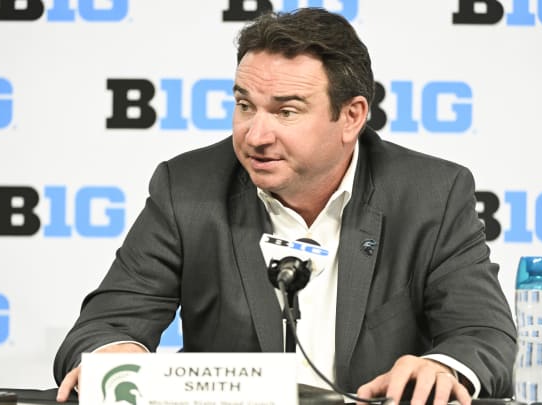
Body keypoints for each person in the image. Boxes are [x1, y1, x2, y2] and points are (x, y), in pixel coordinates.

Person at [54, 7, 516, 405]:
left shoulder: (431, 194)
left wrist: (442, 367)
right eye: (245, 105)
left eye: (286, 111)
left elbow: (484, 333)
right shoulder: (187, 188)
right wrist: (116, 353)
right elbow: (104, 326)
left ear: (351, 116)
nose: (255, 135)